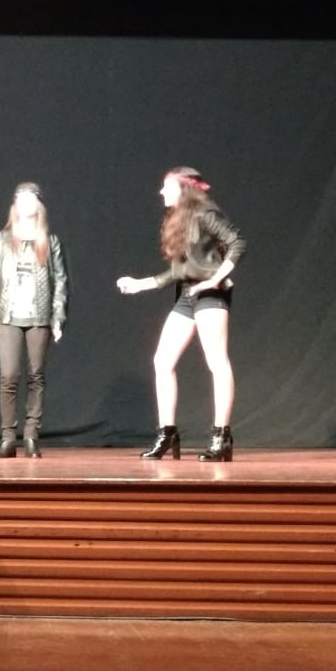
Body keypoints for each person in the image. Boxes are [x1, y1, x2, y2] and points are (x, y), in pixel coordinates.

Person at [116, 166, 246, 462]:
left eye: (167, 186)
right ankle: (168, 434)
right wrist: (140, 284)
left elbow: (238, 243)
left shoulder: (205, 214)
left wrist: (216, 278)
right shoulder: (180, 220)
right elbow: (180, 271)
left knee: (217, 361)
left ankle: (221, 437)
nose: (161, 192)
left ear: (183, 189)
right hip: (188, 293)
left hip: (210, 293)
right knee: (162, 361)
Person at [0, 182, 68, 458]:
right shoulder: (1, 239)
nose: (25, 203)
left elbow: (61, 282)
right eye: (20, 198)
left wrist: (58, 317)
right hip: (8, 315)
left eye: (30, 198)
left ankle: (32, 436)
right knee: (8, 376)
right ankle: (8, 438)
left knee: (36, 376)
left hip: (39, 315)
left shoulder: (50, 241)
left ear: (39, 205)